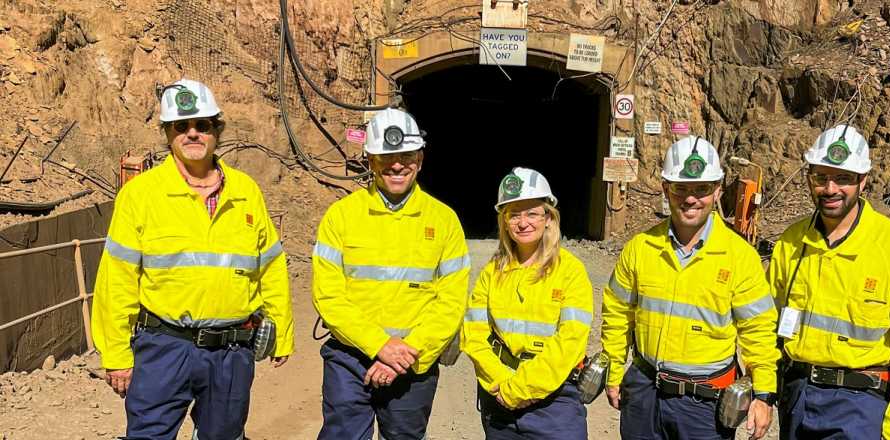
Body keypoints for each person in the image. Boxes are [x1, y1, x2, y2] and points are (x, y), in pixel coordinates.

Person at [92, 78, 294, 440]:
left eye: (202, 125)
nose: (192, 134)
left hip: (232, 349)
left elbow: (271, 266)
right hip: (164, 347)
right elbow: (116, 278)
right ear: (168, 134)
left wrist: (282, 330)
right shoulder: (141, 194)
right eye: (181, 126)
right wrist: (117, 354)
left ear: (217, 130)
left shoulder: (246, 191)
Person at [769, 125, 890, 440]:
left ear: (863, 180)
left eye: (843, 178)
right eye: (821, 177)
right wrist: (764, 393)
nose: (830, 188)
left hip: (859, 406)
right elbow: (766, 328)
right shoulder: (791, 242)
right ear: (810, 178)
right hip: (796, 398)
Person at [601, 136, 778, 440]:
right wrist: (613, 371)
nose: (691, 198)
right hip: (645, 394)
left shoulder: (740, 257)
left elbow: (758, 331)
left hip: (704, 405)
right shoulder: (641, 249)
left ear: (717, 190)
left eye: (701, 189)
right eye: (681, 188)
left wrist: (763, 394)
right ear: (666, 189)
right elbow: (617, 315)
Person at [312, 108, 471, 440]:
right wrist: (379, 345)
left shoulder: (444, 221)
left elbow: (451, 304)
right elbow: (328, 296)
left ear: (421, 159)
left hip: (412, 364)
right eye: (386, 156)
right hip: (349, 358)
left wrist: (402, 354)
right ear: (370, 160)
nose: (397, 164)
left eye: (406, 155)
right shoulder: (341, 216)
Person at [461, 167, 593, 439]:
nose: (523, 223)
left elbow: (570, 342)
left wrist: (520, 389)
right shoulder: (492, 272)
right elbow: (473, 335)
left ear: (548, 218)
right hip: (499, 397)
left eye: (532, 213)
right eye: (514, 214)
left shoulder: (570, 271)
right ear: (504, 222)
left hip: (554, 402)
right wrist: (503, 384)